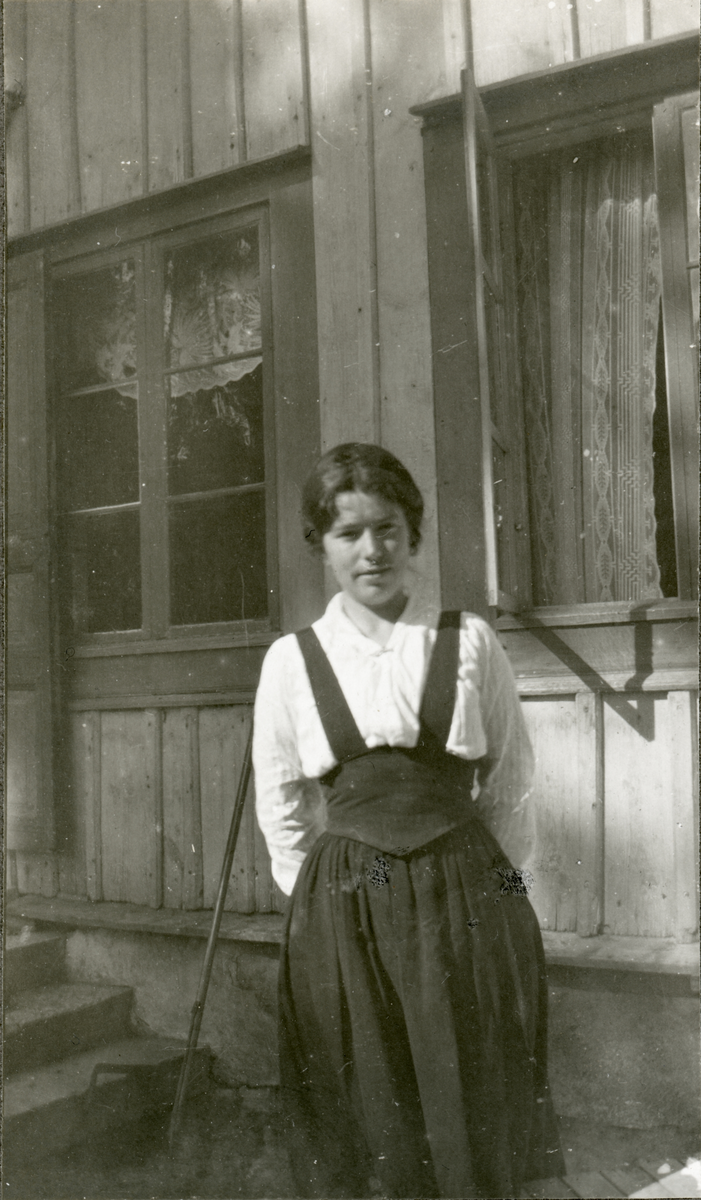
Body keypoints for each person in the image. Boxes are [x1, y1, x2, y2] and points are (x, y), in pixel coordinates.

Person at [253, 442, 563, 1199]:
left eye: (387, 528)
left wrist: (496, 891)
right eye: (349, 533)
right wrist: (318, 905)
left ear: (412, 533)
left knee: (471, 1077)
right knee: (367, 1087)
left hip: (466, 892)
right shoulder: (291, 661)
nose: (372, 550)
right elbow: (281, 800)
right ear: (322, 546)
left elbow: (512, 780)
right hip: (344, 904)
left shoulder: (468, 640)